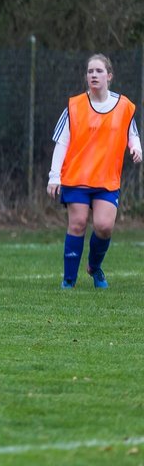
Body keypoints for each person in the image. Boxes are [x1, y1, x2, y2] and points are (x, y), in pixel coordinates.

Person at [47, 53, 141, 289]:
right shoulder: (74, 106)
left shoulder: (123, 106)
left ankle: (94, 267)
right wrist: (54, 176)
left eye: (99, 71)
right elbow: (61, 142)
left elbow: (132, 134)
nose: (94, 75)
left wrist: (137, 148)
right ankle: (69, 280)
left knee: (104, 226)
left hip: (107, 179)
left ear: (109, 76)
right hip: (77, 176)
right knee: (77, 222)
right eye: (90, 71)